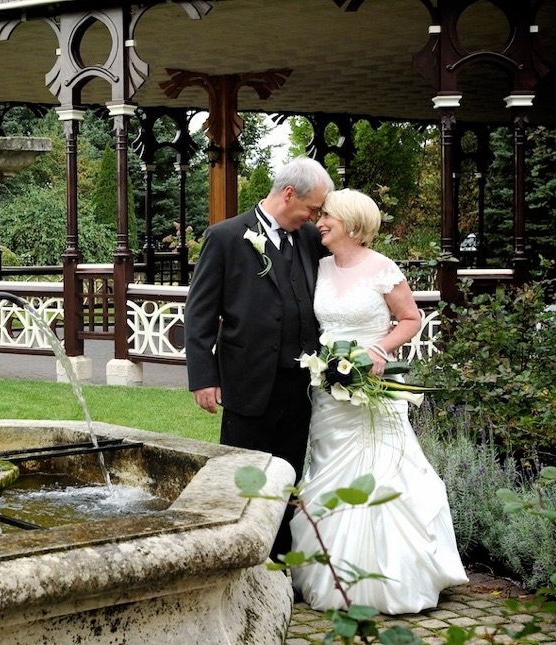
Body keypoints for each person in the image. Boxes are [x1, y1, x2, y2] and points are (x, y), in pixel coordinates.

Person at [290, 188, 467, 614]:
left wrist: (378, 351)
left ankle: (394, 578)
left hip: (374, 390)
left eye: (328, 215)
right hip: (329, 394)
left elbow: (410, 318)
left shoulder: (382, 269)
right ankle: (332, 572)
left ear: (350, 223)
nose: (320, 221)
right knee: (328, 472)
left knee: (385, 472)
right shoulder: (320, 267)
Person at [184, 156, 334, 558]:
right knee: (245, 475)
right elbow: (198, 313)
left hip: (299, 385)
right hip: (247, 380)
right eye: (312, 208)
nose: (315, 218)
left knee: (288, 475)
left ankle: (281, 562)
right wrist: (203, 377)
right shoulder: (227, 237)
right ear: (289, 194)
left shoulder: (306, 238)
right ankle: (241, 560)